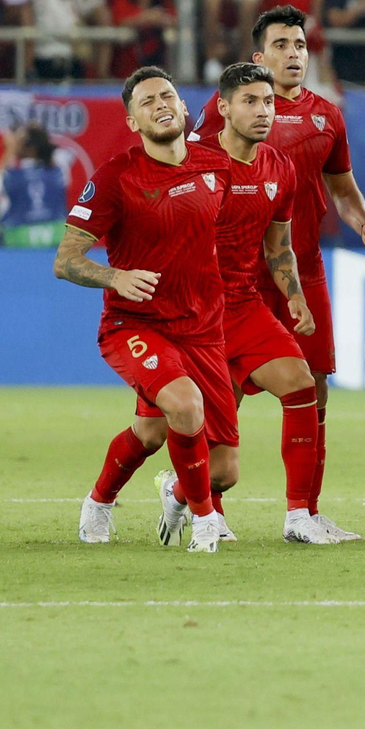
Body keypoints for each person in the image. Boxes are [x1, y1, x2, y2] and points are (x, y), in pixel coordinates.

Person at [193, 5, 365, 541]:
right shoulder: (228, 109)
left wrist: (364, 223)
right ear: (259, 56)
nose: (294, 54)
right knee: (222, 395)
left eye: (300, 45)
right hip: (236, 279)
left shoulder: (328, 115)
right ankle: (205, 506)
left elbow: (342, 190)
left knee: (315, 386)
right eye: (281, 45)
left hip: (303, 269)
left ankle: (304, 512)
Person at [127, 63, 326, 545]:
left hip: (243, 304)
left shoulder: (281, 167)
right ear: (223, 108)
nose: (263, 111)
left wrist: (294, 295)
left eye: (269, 102)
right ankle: (186, 499)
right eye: (250, 101)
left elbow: (278, 246)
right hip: (190, 313)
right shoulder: (191, 159)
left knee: (302, 386)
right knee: (191, 454)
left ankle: (300, 517)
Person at [58, 67, 233, 552]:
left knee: (167, 440)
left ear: (182, 109)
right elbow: (65, 260)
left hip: (202, 328)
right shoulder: (117, 176)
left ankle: (107, 499)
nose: (159, 104)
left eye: (167, 96)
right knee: (184, 403)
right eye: (147, 101)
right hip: (134, 324)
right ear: (133, 122)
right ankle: (203, 524)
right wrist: (116, 276)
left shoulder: (214, 166)